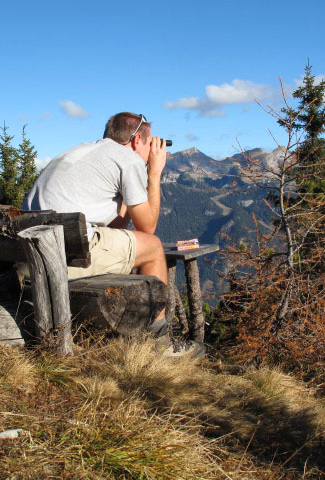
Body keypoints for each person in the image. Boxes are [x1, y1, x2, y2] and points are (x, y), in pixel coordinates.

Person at [23, 112, 204, 357]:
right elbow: (148, 227)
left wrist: (130, 195)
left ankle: (125, 331)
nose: (152, 150)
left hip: (31, 255)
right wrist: (154, 173)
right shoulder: (126, 159)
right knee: (152, 246)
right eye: (150, 144)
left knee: (130, 244)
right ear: (136, 140)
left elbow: (115, 227)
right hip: (64, 256)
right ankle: (161, 345)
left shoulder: (77, 152)